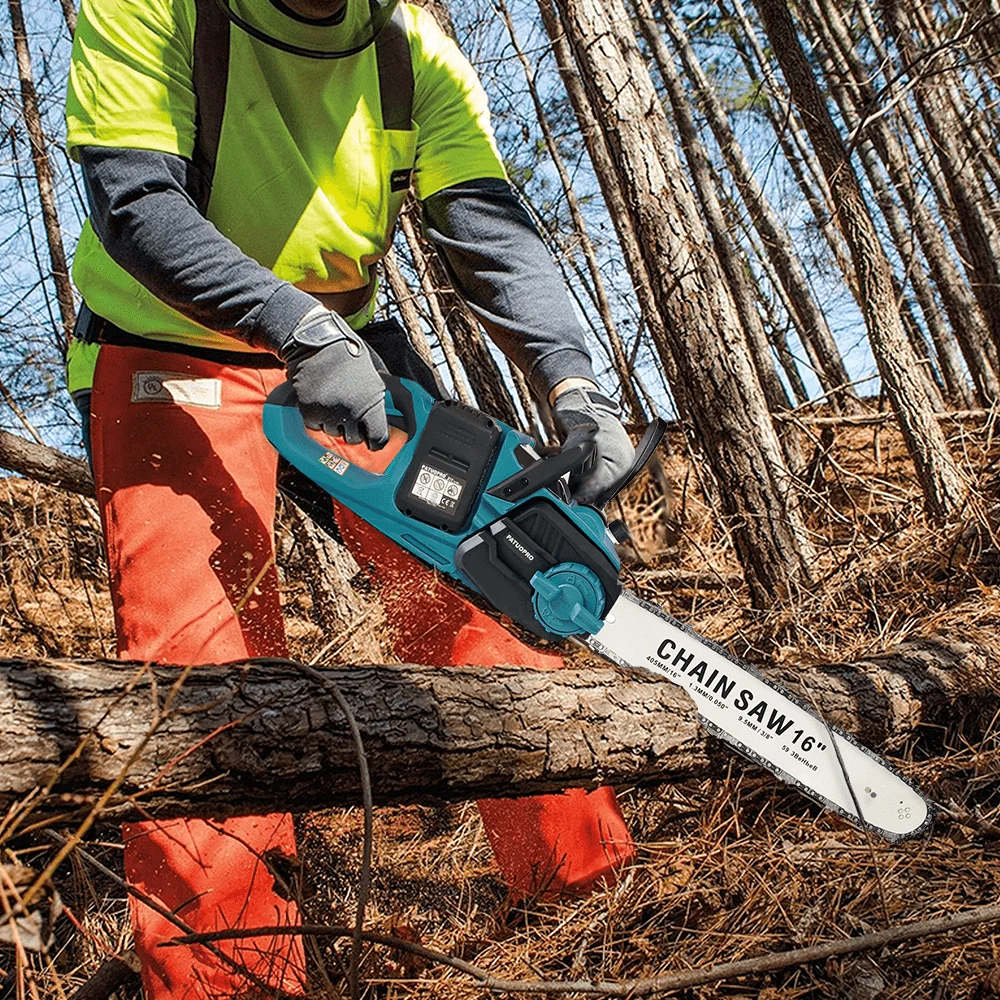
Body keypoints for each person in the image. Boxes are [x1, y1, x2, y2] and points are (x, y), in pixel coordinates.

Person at [65, 0, 637, 993]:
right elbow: (135, 199)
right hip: (167, 342)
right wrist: (292, 324)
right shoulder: (149, 7)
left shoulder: (414, 47)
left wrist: (573, 384)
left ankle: (588, 898)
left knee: (481, 580)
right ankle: (232, 975)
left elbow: (486, 222)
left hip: (349, 347)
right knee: (202, 662)